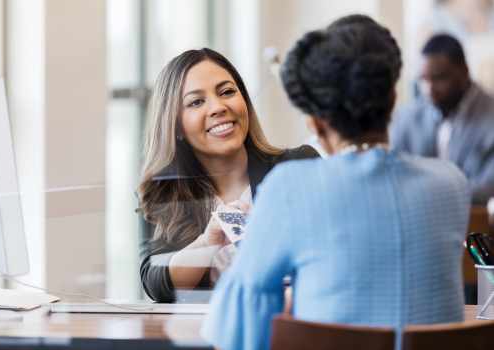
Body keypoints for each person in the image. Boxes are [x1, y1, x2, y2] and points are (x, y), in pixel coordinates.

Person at [202, 15, 471, 350]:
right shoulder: (451, 184)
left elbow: (239, 328)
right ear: (391, 100)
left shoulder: (291, 187)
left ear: (315, 122)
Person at [138, 48, 318, 303]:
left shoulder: (297, 166)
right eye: (196, 102)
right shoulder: (164, 191)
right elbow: (155, 283)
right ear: (176, 125)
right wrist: (208, 242)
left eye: (227, 92)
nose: (218, 107)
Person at [390, 33, 494, 205]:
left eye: (439, 78)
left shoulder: (490, 116)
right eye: (424, 80)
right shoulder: (407, 117)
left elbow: (489, 187)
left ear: (464, 71)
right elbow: (393, 173)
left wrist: (430, 196)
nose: (429, 90)